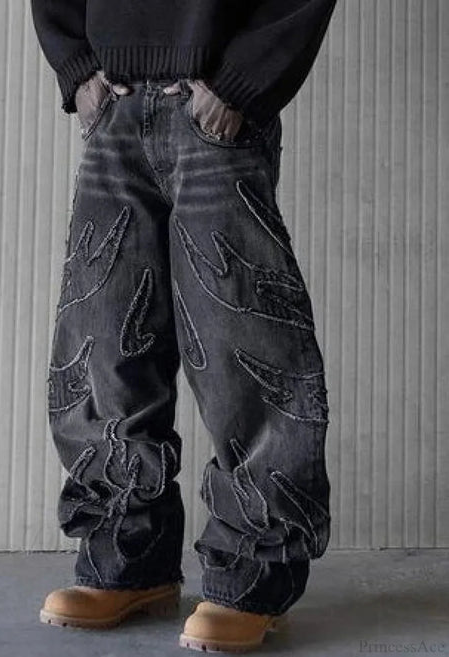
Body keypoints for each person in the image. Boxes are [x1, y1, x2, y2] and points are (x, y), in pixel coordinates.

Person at [30, 0, 338, 652]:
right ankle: (128, 560)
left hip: (217, 107)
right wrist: (77, 68)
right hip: (114, 106)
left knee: (242, 349)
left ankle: (254, 576)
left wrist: (242, 84)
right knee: (103, 339)